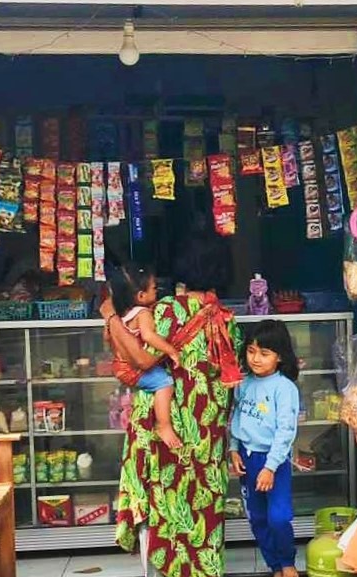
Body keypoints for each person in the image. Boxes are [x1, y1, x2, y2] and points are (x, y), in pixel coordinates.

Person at [104, 236, 242, 577]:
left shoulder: (164, 310)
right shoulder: (226, 319)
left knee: (160, 501)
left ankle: (163, 570)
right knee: (204, 504)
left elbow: (134, 353)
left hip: (159, 427)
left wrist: (109, 318)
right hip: (207, 432)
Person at [229, 320, 301, 577]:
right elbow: (236, 415)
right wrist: (234, 448)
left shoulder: (285, 389)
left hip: (275, 461)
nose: (255, 359)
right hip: (248, 459)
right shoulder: (243, 383)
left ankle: (287, 562)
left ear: (280, 356)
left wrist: (270, 467)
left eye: (264, 353)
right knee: (258, 519)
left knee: (279, 517)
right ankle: (275, 566)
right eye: (251, 351)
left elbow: (286, 431)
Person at [106, 264, 182, 449]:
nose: (158, 291)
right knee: (164, 382)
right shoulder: (143, 313)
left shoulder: (123, 315)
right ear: (141, 296)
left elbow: (108, 337)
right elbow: (148, 336)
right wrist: (171, 350)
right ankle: (163, 425)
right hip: (133, 369)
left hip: (120, 366)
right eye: (154, 288)